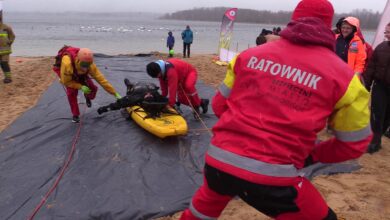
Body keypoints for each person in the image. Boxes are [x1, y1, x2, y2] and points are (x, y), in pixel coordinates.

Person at [180, 0, 371, 219]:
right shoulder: (344, 78)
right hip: (273, 176)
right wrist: (311, 156)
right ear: (329, 27)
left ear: (294, 19)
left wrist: (242, 133)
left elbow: (219, 105)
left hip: (220, 159)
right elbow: (353, 144)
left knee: (201, 210)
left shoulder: (249, 56)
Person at [52, 47, 121, 123]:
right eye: (84, 64)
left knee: (93, 88)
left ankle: (87, 96)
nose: (85, 67)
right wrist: (80, 86)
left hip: (80, 74)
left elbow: (101, 79)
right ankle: (75, 115)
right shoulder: (67, 64)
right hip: (69, 76)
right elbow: (66, 82)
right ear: (78, 60)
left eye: (88, 64)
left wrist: (114, 93)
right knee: (71, 93)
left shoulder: (90, 65)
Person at [363, 22, 390, 154]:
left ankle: (379, 135)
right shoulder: (381, 47)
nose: (386, 34)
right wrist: (366, 85)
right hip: (380, 86)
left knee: (387, 117)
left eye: (388, 32)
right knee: (376, 115)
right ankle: (375, 141)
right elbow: (371, 68)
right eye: (386, 32)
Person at [0, 10, 15, 84]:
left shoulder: (6, 27)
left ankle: (8, 78)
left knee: (4, 63)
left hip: (5, 50)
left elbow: (12, 36)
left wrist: (9, 42)